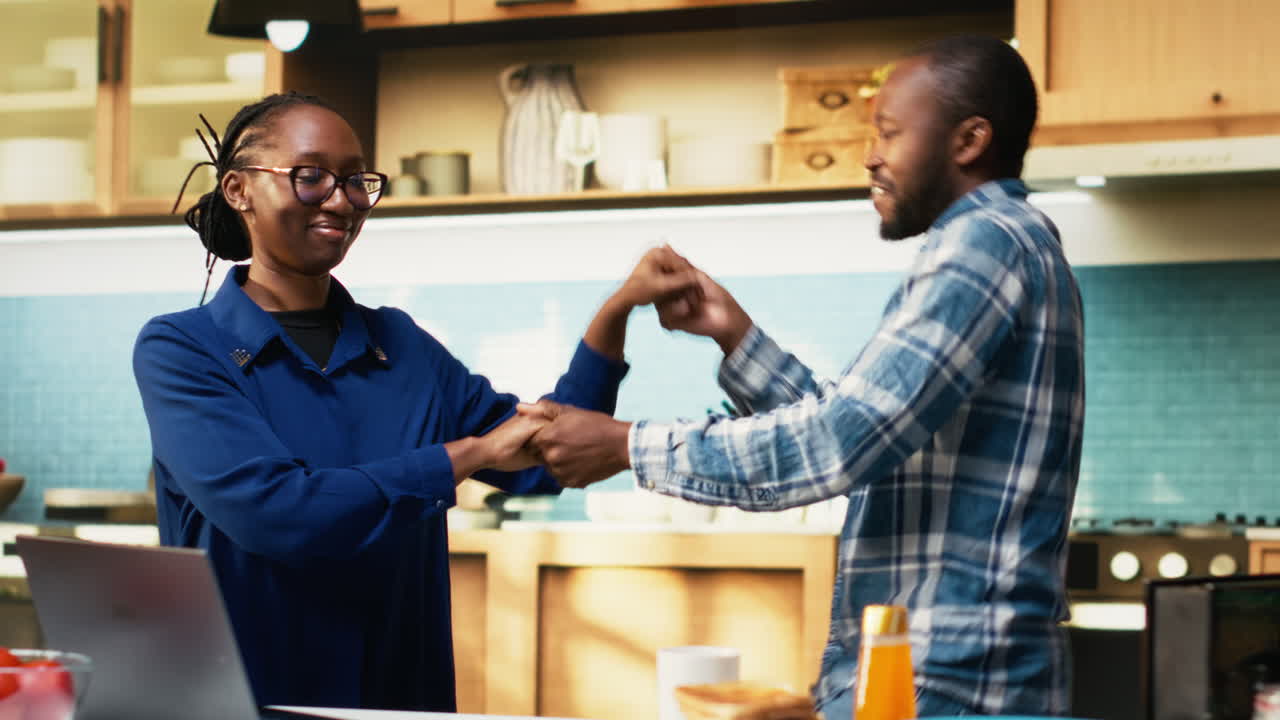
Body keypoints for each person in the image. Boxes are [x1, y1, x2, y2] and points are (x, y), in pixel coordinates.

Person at [525, 35, 1085, 718]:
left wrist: (626, 445)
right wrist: (736, 336)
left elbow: (839, 443)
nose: (871, 155)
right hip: (952, 679)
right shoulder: (1011, 241)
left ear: (968, 141)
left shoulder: (983, 245)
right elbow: (868, 439)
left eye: (890, 132)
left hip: (954, 686)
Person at [131, 92, 700, 711]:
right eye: (311, 175)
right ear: (239, 190)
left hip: (399, 697)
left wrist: (615, 313)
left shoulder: (398, 344)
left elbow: (540, 460)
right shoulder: (183, 348)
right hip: (251, 702)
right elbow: (279, 514)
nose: (342, 199)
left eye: (356, 180)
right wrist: (467, 455)